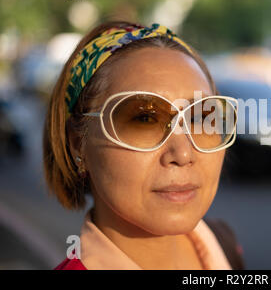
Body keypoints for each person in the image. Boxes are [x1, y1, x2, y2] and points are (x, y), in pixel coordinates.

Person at [43, 21, 245, 270]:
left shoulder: (223, 241)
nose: (183, 153)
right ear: (78, 145)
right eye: (144, 119)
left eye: (200, 117)